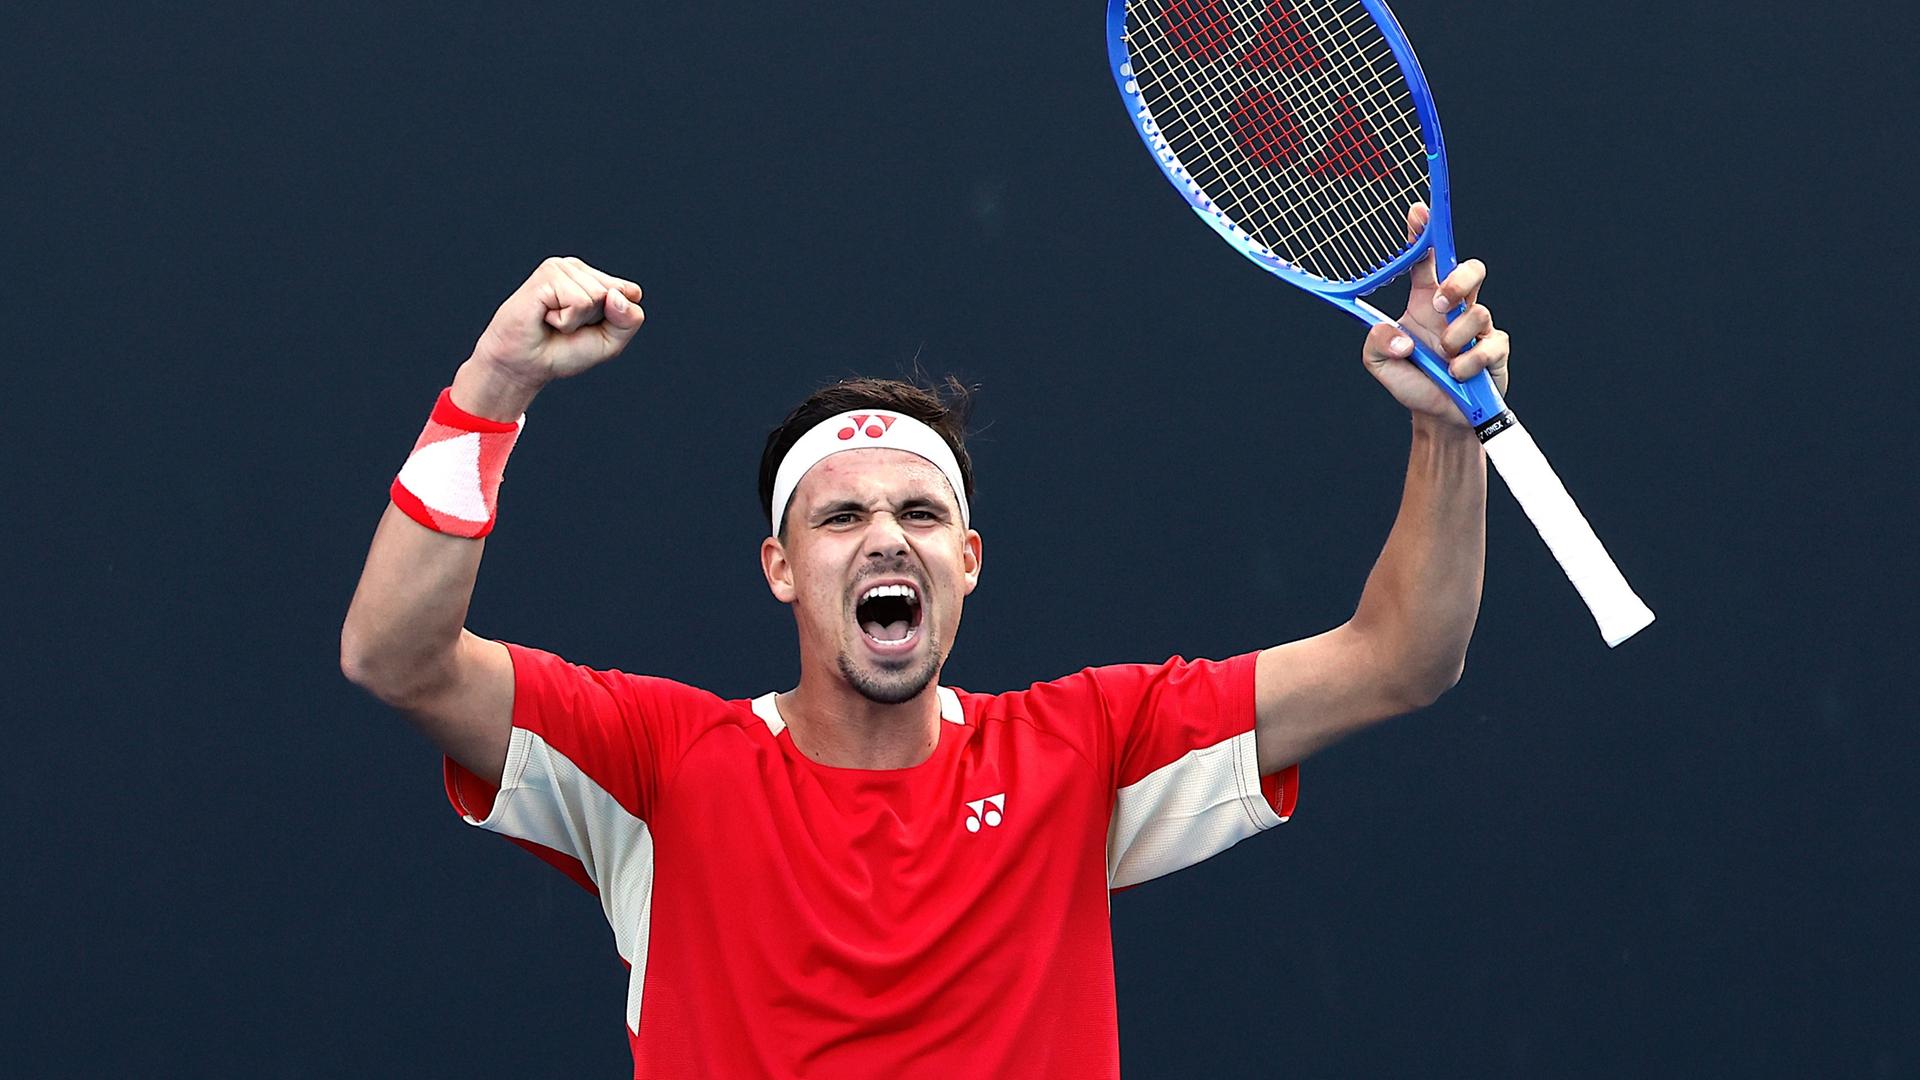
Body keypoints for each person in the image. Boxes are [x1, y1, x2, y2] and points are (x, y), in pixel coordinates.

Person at [340, 202, 1509, 1078]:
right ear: (782, 571)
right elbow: (394, 655)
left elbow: (1401, 656)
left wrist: (1446, 433)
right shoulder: (658, 765)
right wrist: (491, 386)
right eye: (841, 516)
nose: (885, 539)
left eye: (921, 514)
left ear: (968, 563)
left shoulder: (1086, 748)